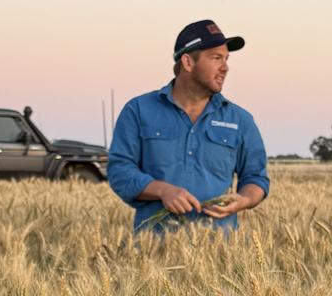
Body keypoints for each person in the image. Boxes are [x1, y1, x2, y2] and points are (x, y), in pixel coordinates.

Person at [108, 19, 269, 233]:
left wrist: (244, 199)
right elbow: (120, 170)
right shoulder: (138, 111)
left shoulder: (240, 120)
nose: (225, 67)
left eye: (226, 59)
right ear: (187, 62)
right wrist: (162, 191)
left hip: (219, 254)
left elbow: (256, 177)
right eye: (216, 58)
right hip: (152, 255)